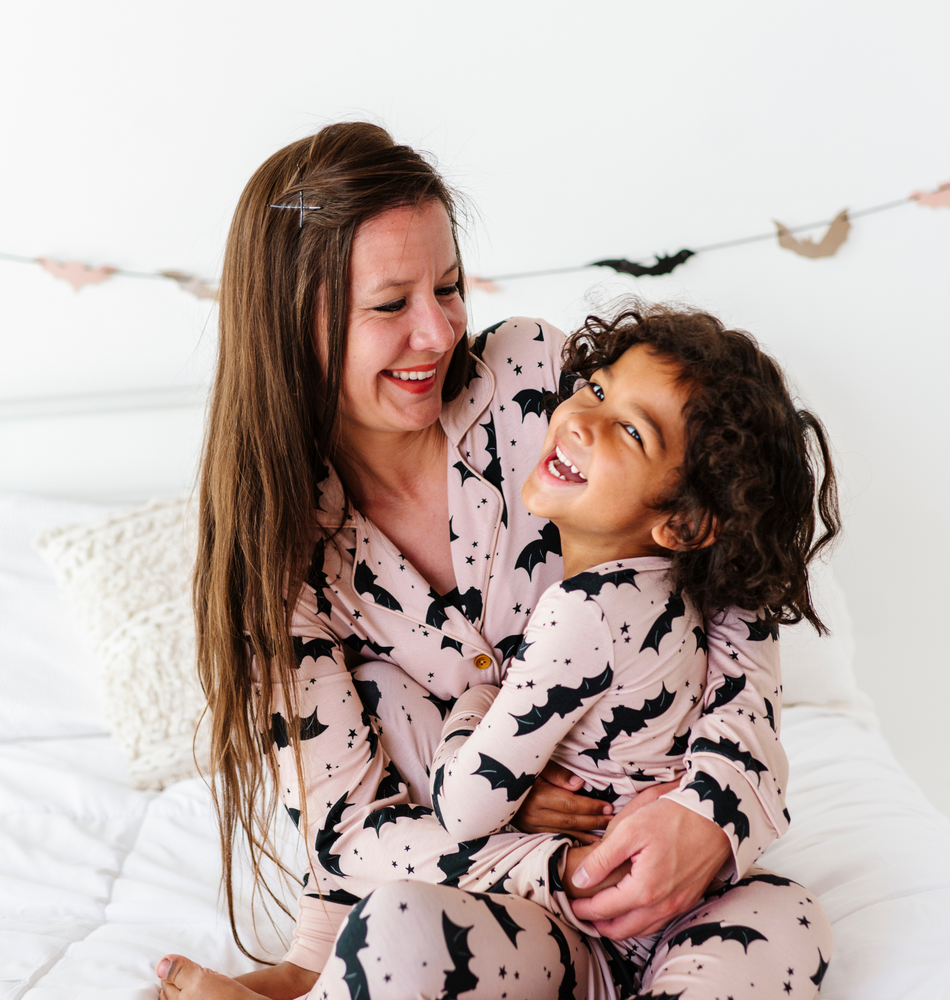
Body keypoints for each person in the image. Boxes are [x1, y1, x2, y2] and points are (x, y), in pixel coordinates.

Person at [154, 123, 833, 1000]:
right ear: (292, 328)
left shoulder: (540, 386)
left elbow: (732, 574)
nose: (438, 332)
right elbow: (353, 834)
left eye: (448, 286)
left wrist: (711, 808)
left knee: (791, 923)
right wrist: (546, 856)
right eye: (391, 305)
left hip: (675, 878)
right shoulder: (282, 563)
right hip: (506, 912)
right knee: (397, 934)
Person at [427, 303, 838, 996]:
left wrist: (474, 705)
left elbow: (466, 808)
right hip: (681, 906)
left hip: (587, 907)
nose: (580, 421)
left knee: (411, 927)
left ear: (684, 523)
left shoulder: (583, 610)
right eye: (596, 389)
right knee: (791, 913)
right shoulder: (671, 587)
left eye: (630, 431)